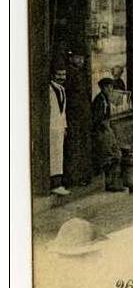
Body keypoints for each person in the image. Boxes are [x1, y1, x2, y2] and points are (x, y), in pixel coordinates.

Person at [91, 78, 125, 192]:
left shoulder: (105, 99)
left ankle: (113, 182)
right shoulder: (100, 100)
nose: (110, 89)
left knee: (115, 155)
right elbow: (98, 119)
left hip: (107, 129)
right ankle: (110, 183)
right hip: (102, 131)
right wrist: (107, 130)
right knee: (111, 156)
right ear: (102, 88)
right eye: (107, 87)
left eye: (111, 87)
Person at [49, 65, 70, 196]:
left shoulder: (62, 89)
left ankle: (59, 183)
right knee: (53, 156)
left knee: (59, 155)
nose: (62, 78)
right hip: (51, 127)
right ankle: (54, 184)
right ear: (53, 75)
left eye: (63, 75)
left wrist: (65, 126)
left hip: (60, 127)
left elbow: (63, 112)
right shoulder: (49, 90)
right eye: (59, 75)